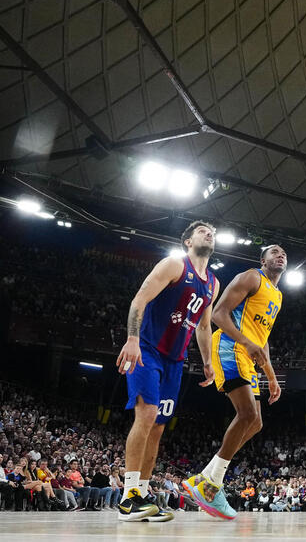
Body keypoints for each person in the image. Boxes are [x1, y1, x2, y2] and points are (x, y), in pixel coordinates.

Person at [115, 220, 220, 522]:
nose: (208, 233)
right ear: (188, 241)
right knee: (146, 414)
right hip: (147, 349)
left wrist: (208, 361)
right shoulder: (174, 265)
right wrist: (132, 339)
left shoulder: (213, 283)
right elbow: (139, 300)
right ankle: (128, 497)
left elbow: (203, 324)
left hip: (175, 361)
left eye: (212, 231)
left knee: (159, 426)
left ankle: (144, 494)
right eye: (202, 230)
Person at [184, 244, 288, 520]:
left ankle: (205, 478)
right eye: (274, 251)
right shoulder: (252, 277)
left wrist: (271, 377)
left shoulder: (277, 295)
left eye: (284, 254)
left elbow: (262, 339)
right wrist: (246, 343)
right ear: (262, 260)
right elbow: (218, 314)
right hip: (230, 345)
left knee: (256, 422)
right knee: (247, 414)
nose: (281, 255)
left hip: (248, 354)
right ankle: (211, 485)